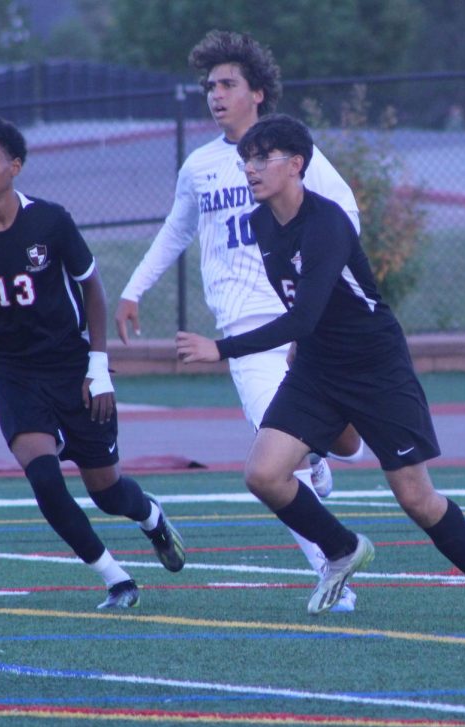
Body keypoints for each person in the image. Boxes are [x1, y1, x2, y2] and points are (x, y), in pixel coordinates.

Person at [175, 113, 465, 619]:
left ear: (297, 165)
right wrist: (296, 346)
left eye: (262, 157)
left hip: (375, 367)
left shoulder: (326, 223)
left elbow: (306, 314)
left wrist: (220, 349)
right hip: (316, 367)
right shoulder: (260, 221)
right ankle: (341, 548)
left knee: (414, 496)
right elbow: (298, 306)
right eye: (246, 159)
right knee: (263, 474)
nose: (250, 168)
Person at [115, 30, 364, 611]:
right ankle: (335, 572)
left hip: (304, 322)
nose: (216, 95)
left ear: (257, 92)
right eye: (209, 86)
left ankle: (323, 454)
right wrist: (132, 291)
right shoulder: (200, 165)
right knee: (274, 457)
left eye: (228, 84)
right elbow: (176, 231)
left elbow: (346, 214)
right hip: (246, 335)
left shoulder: (291, 152)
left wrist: (331, 298)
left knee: (346, 444)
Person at [0, 117, 185, 611]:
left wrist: (98, 367)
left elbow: (93, 289)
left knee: (108, 492)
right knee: (43, 476)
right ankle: (116, 579)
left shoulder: (51, 221)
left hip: (72, 367)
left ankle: (151, 519)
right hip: (13, 373)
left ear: (15, 167)